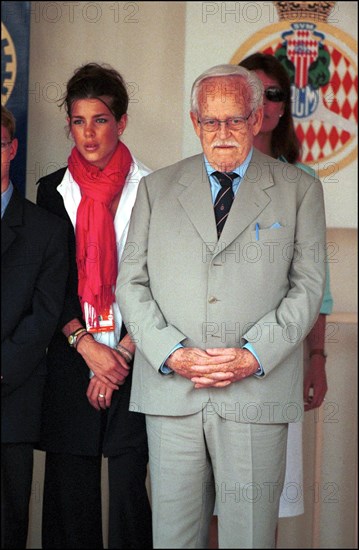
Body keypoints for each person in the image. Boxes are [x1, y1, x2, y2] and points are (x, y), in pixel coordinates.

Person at [117, 64, 327, 548]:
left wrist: (253, 355)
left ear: (256, 120)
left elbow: (309, 286)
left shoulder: (299, 190)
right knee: (173, 538)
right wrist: (172, 353)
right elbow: (130, 283)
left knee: (249, 538)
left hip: (255, 390)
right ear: (195, 123)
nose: (223, 132)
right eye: (211, 122)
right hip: (174, 392)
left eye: (235, 120)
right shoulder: (156, 189)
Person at [36, 63, 152, 549]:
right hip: (71, 356)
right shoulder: (51, 189)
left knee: (128, 491)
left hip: (136, 360)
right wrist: (85, 345)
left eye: (100, 120)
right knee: (69, 494)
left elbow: (160, 283)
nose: (88, 133)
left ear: (121, 123)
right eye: (79, 121)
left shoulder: (154, 188)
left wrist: (119, 354)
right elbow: (47, 284)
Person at [238, 52, 334, 522]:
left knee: (263, 504)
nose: (263, 104)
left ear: (284, 106)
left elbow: (317, 288)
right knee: (214, 500)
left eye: (273, 93)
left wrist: (316, 358)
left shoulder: (303, 182)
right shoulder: (201, 178)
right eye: (252, 92)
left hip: (279, 362)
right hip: (211, 360)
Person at [1, 105, 68, 549]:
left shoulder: (45, 229)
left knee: (7, 528)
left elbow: (44, 317)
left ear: (12, 149)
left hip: (11, 400)